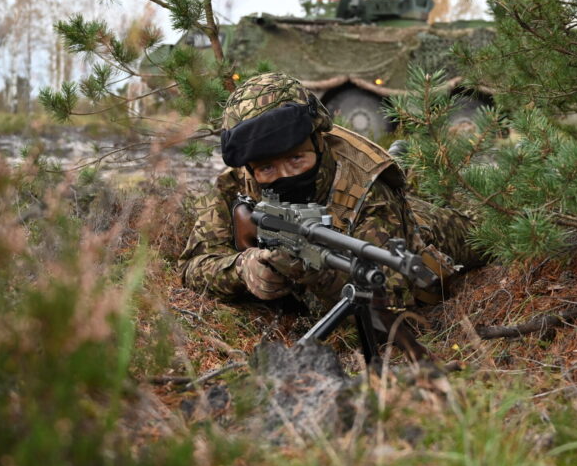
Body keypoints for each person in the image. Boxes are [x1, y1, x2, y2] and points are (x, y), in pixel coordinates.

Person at [178, 73, 483, 317]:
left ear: (318, 142)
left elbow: (388, 300)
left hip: (416, 226)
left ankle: (411, 169)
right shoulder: (236, 186)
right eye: (267, 167)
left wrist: (314, 274)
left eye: (296, 159)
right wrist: (243, 269)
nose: (284, 175)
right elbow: (193, 267)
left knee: (479, 230)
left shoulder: (367, 186)